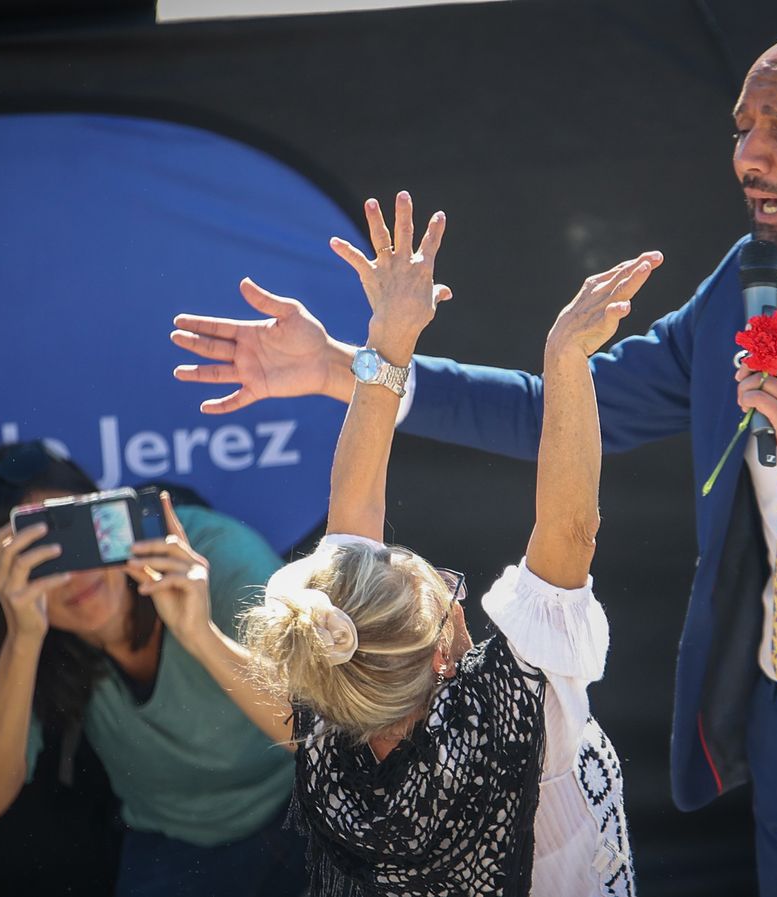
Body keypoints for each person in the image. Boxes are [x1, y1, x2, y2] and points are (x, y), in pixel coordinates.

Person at [170, 28, 777, 896]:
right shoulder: (750, 284)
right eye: (744, 128)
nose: (749, 155)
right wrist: (351, 367)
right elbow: (567, 411)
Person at [206, 193, 641, 895]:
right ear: (443, 653)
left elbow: (353, 507)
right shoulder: (523, 716)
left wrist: (390, 340)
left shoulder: (338, 711)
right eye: (444, 584)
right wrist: (565, 357)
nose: (448, 580)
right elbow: (570, 527)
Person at [0, 442, 305, 897]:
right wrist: (22, 641)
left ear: (113, 513)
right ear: (3, 583)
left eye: (76, 534)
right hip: (174, 840)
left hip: (304, 805)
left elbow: (322, 731)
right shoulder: (21, 626)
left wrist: (200, 634)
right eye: (40, 559)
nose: (74, 575)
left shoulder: (212, 552)